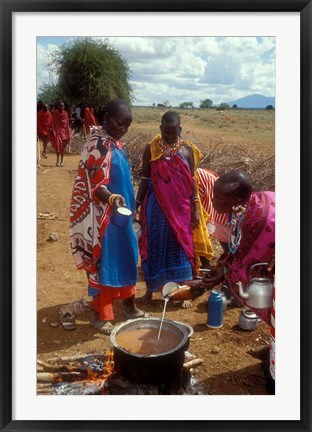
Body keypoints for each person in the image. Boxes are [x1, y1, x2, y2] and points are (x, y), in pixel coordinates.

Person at [188, 170, 275, 392]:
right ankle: (273, 351)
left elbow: (246, 262)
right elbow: (236, 248)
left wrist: (219, 275)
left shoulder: (260, 219)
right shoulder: (240, 209)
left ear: (236, 199)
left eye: (218, 198)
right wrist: (219, 269)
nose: (213, 201)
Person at [69, 98, 148, 335]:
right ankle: (100, 315)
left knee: (127, 257)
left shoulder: (115, 143)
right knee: (106, 264)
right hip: (103, 219)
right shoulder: (98, 146)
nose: (123, 129)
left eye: (127, 126)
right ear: (106, 118)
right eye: (119, 123)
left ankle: (130, 306)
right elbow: (96, 186)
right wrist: (113, 199)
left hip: (120, 217)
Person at [135, 111, 214, 303]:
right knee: (153, 247)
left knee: (181, 248)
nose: (169, 137)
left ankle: (184, 291)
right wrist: (137, 204)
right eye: (166, 132)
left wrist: (196, 207)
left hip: (181, 210)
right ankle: (151, 289)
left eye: (173, 132)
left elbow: (192, 181)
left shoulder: (188, 151)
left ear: (180, 129)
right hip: (155, 208)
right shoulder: (151, 149)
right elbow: (145, 179)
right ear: (160, 129)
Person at [49, 101, 71, 167]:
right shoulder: (54, 113)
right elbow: (51, 120)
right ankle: (57, 160)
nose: (61, 107)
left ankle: (62, 161)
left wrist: (68, 131)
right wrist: (51, 128)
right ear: (57, 106)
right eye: (60, 106)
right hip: (56, 131)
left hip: (64, 132)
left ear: (64, 107)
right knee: (57, 147)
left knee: (62, 148)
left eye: (62, 106)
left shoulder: (65, 113)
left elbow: (66, 123)